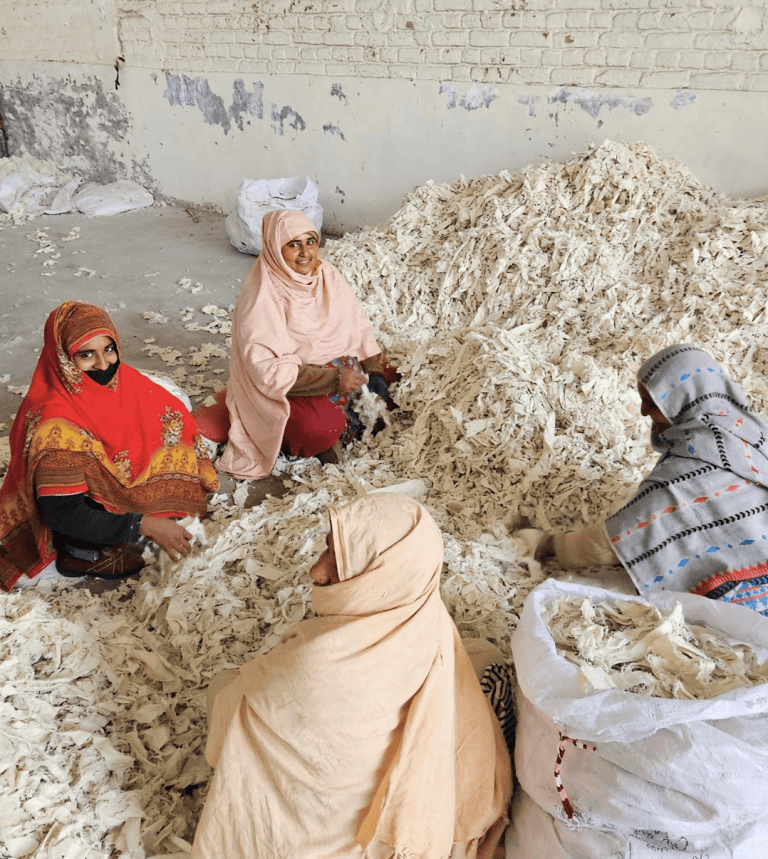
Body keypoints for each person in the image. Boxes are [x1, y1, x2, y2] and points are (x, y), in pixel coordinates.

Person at [191, 494, 512, 859]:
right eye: (327, 550)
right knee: (483, 656)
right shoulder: (422, 609)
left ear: (380, 574)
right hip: (415, 816)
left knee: (222, 689)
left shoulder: (312, 663)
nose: (317, 570)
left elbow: (222, 742)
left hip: (330, 845)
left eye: (337, 558)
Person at [532, 344, 768, 614]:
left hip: (748, 602)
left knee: (581, 594)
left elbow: (609, 546)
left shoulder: (689, 465)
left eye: (653, 403)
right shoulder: (752, 432)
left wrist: (548, 544)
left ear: (683, 400)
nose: (644, 412)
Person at [0, 301, 219, 589]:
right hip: (70, 515)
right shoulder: (55, 428)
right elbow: (63, 512)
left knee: (172, 407)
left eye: (108, 349)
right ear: (63, 359)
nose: (103, 364)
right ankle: (79, 552)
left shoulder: (119, 380)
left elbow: (167, 414)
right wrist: (143, 524)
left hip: (108, 478)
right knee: (41, 574)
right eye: (86, 355)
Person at [193, 209, 396, 480]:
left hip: (340, 369)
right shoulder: (262, 296)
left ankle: (347, 410)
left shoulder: (327, 276)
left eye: (310, 242)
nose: (305, 253)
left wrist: (375, 373)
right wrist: (334, 379)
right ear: (275, 249)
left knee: (395, 377)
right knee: (318, 428)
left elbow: (359, 329)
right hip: (295, 382)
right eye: (293, 244)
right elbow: (269, 371)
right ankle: (320, 430)